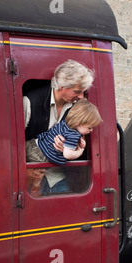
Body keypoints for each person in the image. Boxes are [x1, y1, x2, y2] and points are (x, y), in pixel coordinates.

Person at [23, 59, 95, 194]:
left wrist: (74, 147)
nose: (81, 97)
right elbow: (13, 145)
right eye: (77, 91)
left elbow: (84, 142)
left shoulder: (77, 107)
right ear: (61, 86)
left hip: (59, 176)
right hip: (32, 178)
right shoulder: (30, 101)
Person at [26, 99, 102, 166]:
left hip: (34, 143)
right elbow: (68, 154)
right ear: (78, 123)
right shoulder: (73, 135)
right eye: (89, 127)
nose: (91, 130)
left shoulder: (65, 124)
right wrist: (80, 151)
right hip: (40, 157)